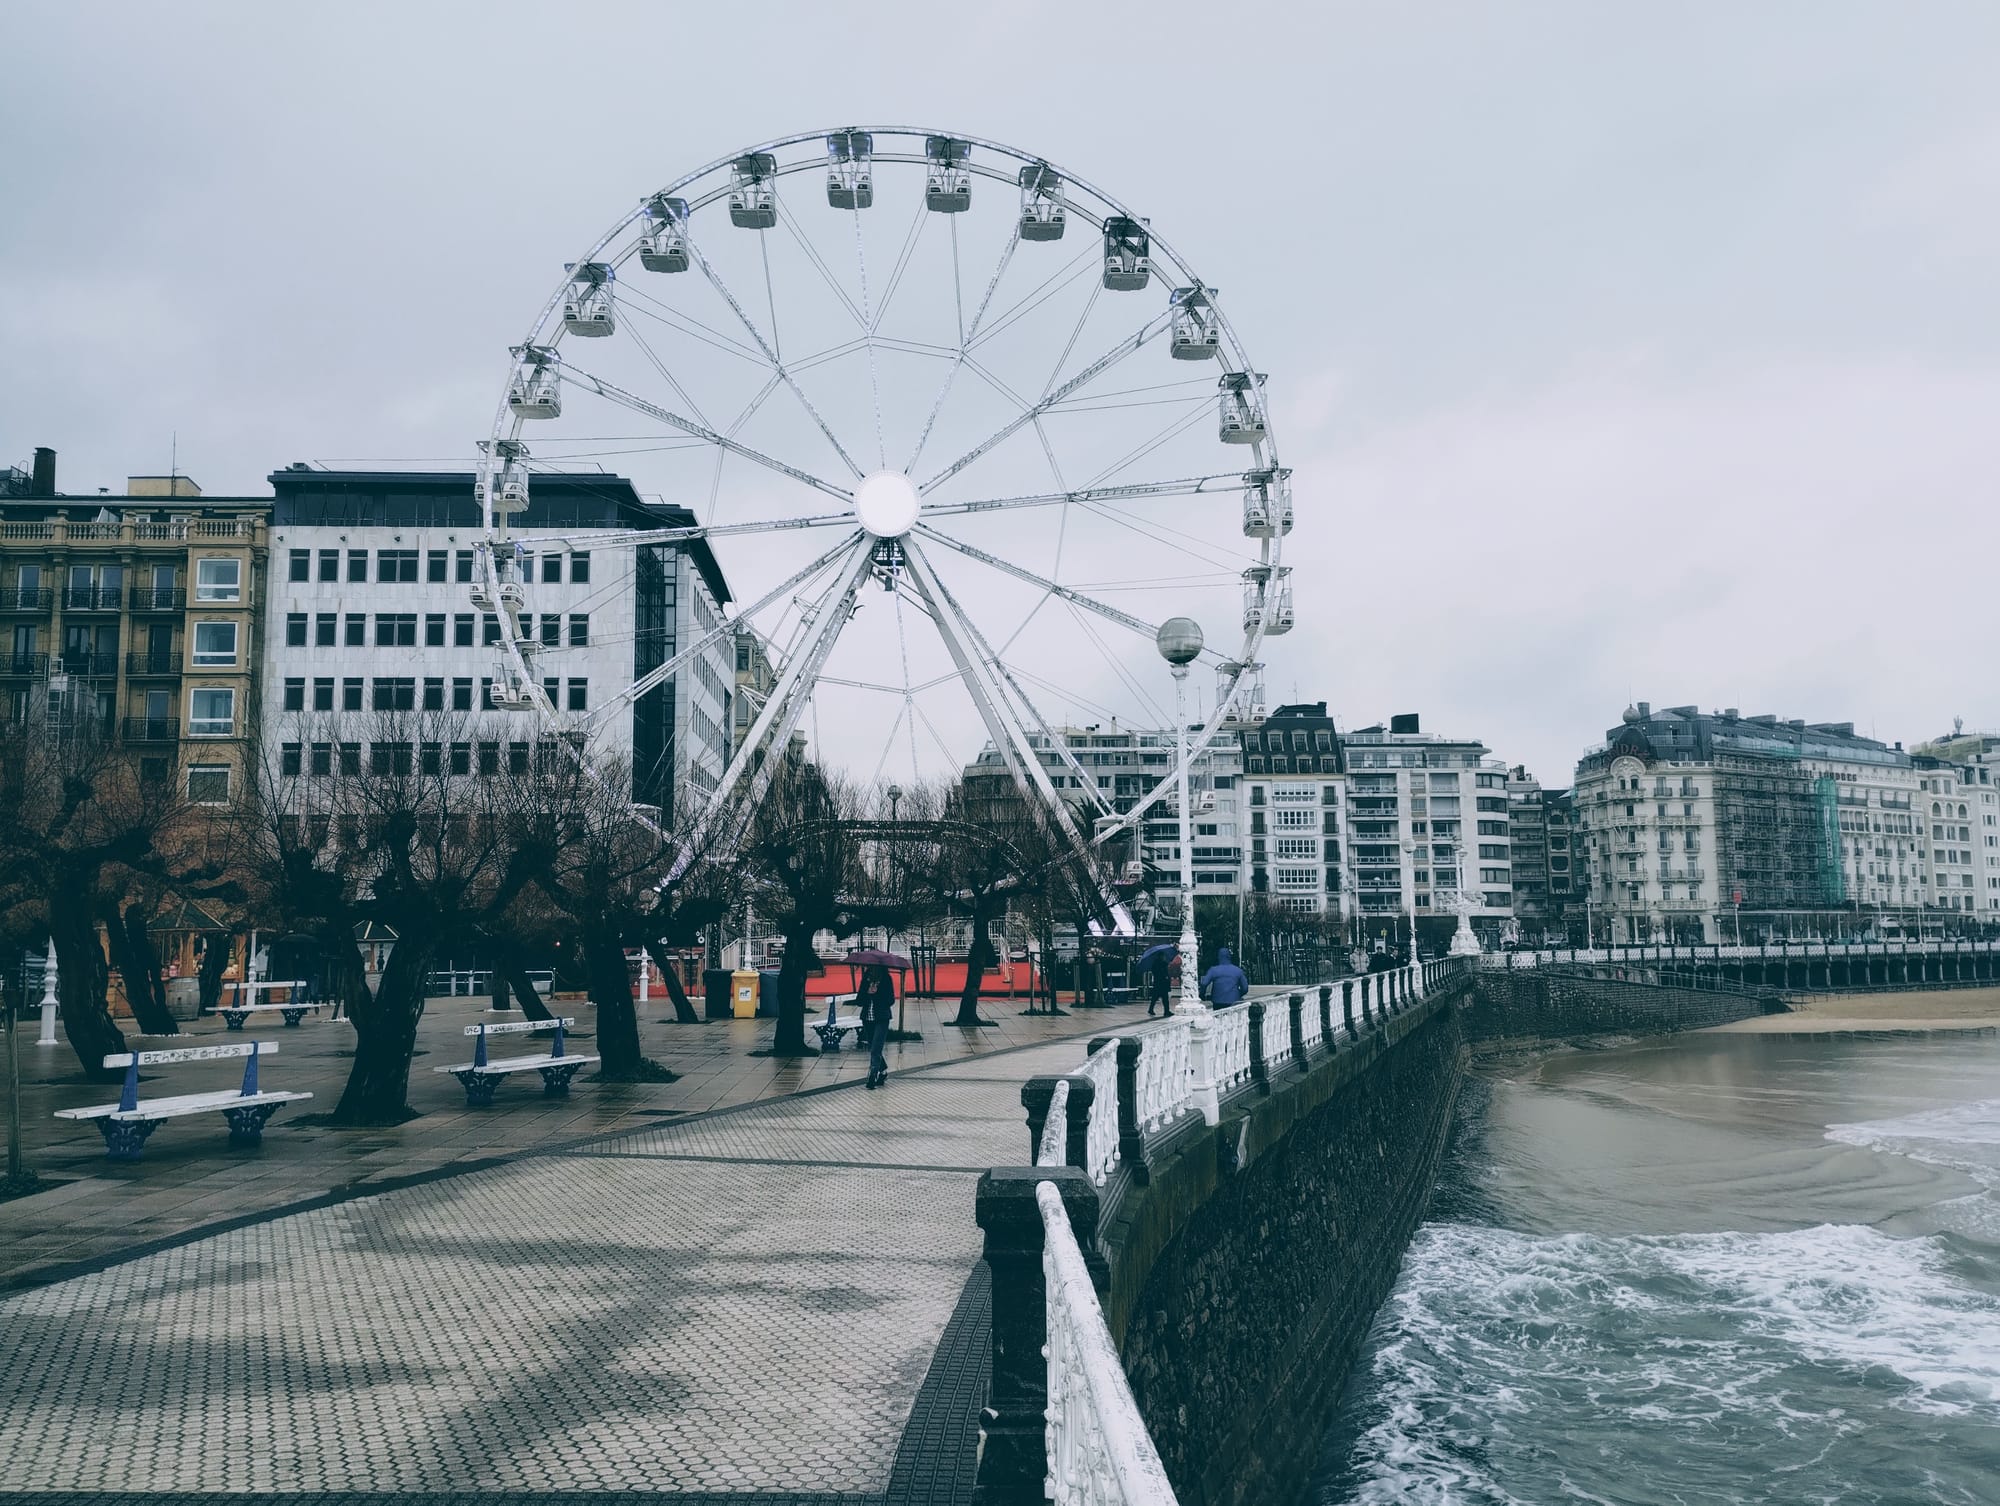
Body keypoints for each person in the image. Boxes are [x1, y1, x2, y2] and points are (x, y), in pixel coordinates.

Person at [857, 964, 896, 1089]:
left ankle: (872, 1075)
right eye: (871, 967)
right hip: (867, 1018)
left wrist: (877, 994)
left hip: (882, 1018)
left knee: (876, 1048)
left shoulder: (886, 979)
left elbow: (890, 1000)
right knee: (873, 1046)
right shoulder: (866, 979)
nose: (873, 970)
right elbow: (859, 1000)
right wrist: (867, 992)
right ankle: (883, 1070)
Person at [1146, 948, 1175, 1017]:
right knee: (1163, 998)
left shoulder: (1160, 964)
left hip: (1159, 984)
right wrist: (1165, 976)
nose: (1164, 957)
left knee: (1156, 998)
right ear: (1160, 956)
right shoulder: (1159, 964)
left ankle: (1154, 1009)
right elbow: (1160, 973)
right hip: (1161, 984)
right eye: (1163, 956)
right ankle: (1166, 1011)